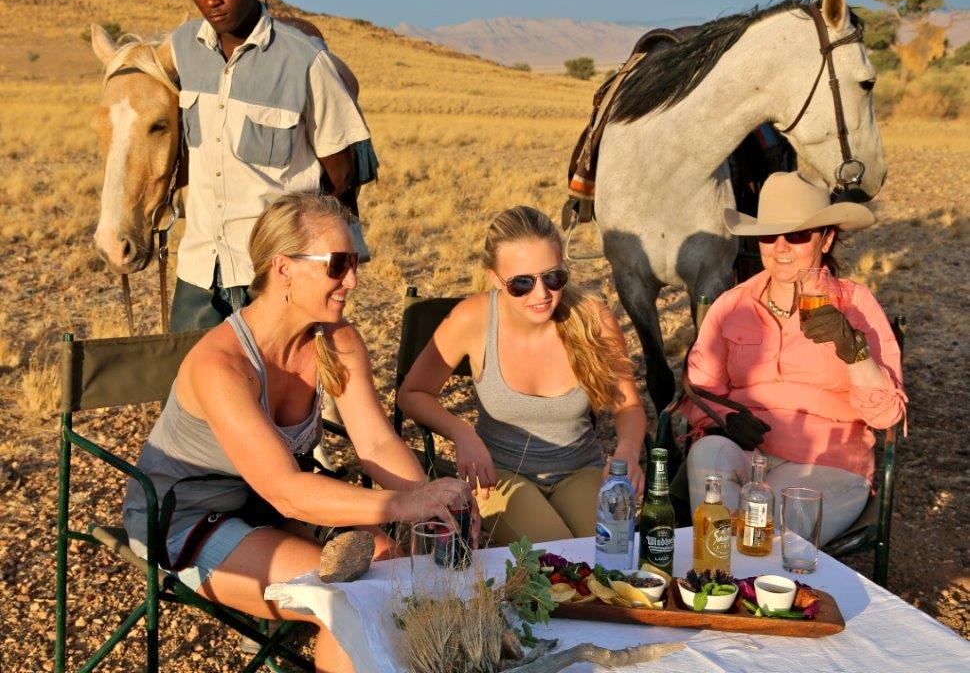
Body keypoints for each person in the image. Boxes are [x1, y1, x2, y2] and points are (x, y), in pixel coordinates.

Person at [122, 192, 475, 673]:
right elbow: (288, 492)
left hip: (263, 507)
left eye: (355, 262)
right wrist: (402, 504)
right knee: (347, 602)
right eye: (337, 264)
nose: (351, 280)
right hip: (189, 519)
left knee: (397, 565)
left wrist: (431, 504)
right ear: (283, 268)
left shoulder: (336, 339)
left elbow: (373, 442)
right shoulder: (221, 365)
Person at [164, 0, 376, 332]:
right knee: (191, 385)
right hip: (199, 267)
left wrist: (311, 253)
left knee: (281, 389)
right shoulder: (183, 49)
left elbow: (341, 174)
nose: (211, 0)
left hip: (274, 271)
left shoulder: (305, 61)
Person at [398, 206, 648, 546]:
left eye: (553, 277)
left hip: (581, 470)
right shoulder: (473, 319)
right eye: (522, 283)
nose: (542, 294)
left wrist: (628, 452)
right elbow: (412, 392)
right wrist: (461, 433)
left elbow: (628, 406)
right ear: (493, 278)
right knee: (552, 558)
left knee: (611, 550)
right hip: (499, 476)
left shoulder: (591, 318)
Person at [683, 172, 906, 545]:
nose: (780, 247)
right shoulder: (732, 305)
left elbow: (886, 417)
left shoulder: (855, 305)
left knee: (759, 527)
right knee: (707, 454)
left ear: (826, 239)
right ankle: (733, 573)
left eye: (798, 236)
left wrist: (854, 351)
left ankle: (722, 578)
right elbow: (700, 391)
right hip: (747, 451)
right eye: (769, 236)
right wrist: (725, 419)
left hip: (828, 463)